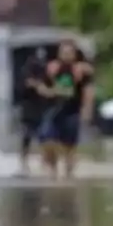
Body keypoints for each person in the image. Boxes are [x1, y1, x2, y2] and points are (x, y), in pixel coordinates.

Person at [39, 40, 95, 179]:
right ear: (59, 53)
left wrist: (87, 110)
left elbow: (88, 91)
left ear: (75, 54)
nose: (66, 55)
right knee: (47, 139)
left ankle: (68, 174)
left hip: (73, 110)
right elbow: (42, 87)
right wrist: (51, 91)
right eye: (63, 52)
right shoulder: (52, 68)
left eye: (69, 52)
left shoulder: (82, 70)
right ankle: (53, 169)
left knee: (69, 146)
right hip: (54, 110)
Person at [18, 47, 49, 175]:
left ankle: (44, 161)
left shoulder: (46, 70)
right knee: (28, 135)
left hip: (42, 107)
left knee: (44, 135)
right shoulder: (27, 71)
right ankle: (25, 162)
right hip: (29, 107)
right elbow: (24, 85)